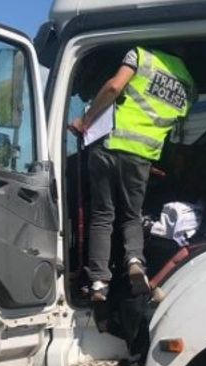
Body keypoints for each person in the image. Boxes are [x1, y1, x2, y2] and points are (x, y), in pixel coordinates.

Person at [70, 46, 195, 302]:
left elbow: (114, 87)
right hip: (142, 154)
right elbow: (175, 121)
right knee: (132, 216)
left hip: (109, 145)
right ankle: (135, 261)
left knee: (102, 215)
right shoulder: (190, 86)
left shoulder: (141, 56)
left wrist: (85, 121)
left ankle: (98, 282)